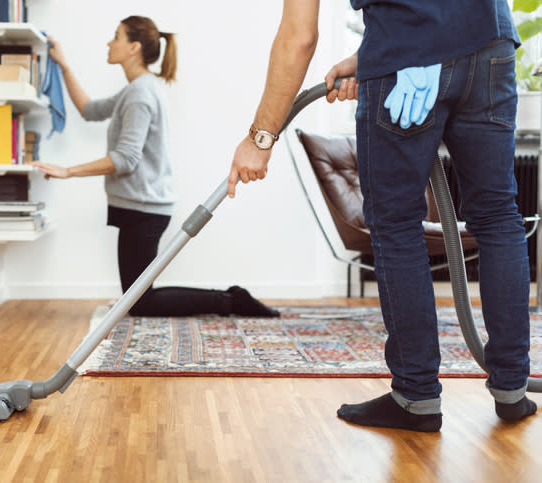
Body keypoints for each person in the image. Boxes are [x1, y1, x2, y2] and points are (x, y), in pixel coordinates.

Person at [228, 0, 537, 431]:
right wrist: (371, 55)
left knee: (396, 224)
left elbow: (298, 36)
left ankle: (416, 397)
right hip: (489, 44)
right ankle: (512, 388)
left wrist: (260, 139)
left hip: (406, 50)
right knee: (498, 214)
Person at [31, 15, 278, 318]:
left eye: (117, 36)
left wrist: (67, 171)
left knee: (138, 302)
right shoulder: (134, 89)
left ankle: (230, 301)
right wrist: (64, 65)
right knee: (135, 299)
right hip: (138, 207)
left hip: (143, 210)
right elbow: (89, 110)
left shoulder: (140, 93)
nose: (110, 43)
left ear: (134, 47)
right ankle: (229, 300)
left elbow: (125, 159)